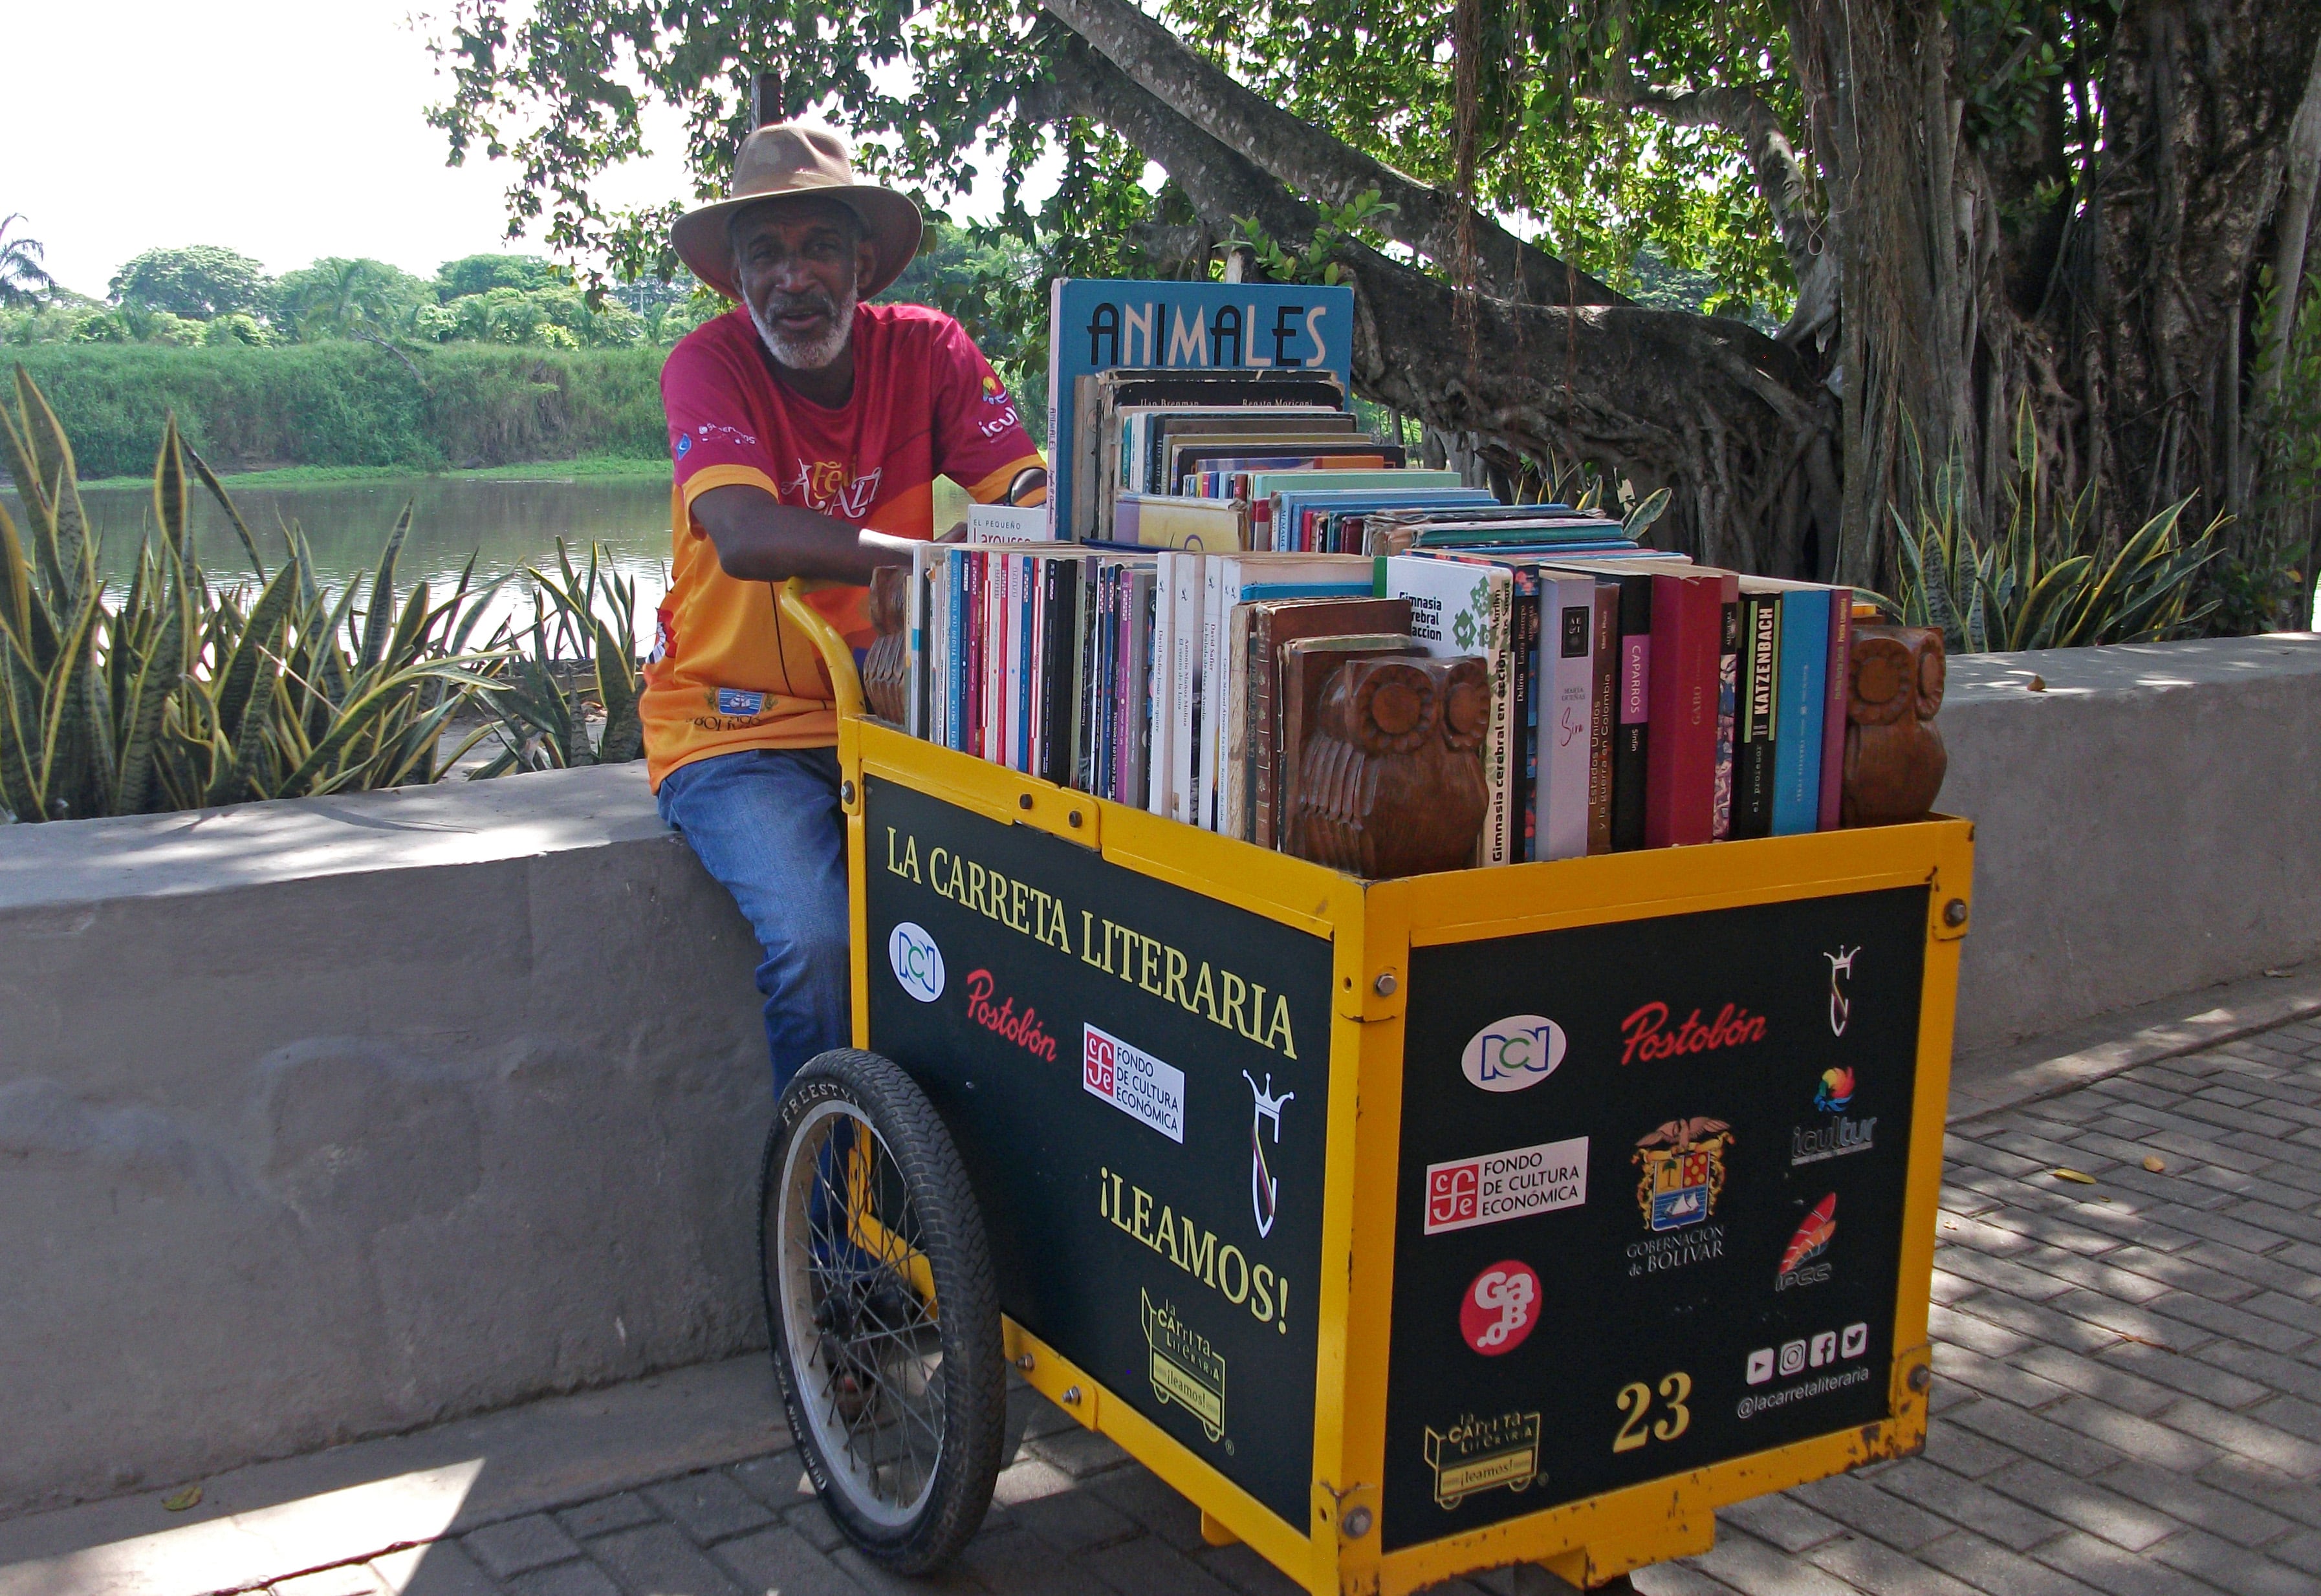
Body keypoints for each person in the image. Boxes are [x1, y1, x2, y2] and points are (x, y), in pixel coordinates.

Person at [648, 122, 1045, 1094]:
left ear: (862, 260)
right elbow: (745, 533)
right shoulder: (707, 365)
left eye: (818, 247)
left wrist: (1018, 528)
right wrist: (928, 560)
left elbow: (1031, 500)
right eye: (765, 254)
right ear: (734, 275)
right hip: (733, 727)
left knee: (1031, 905)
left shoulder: (930, 350)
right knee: (819, 943)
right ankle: (828, 1230)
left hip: (899, 713)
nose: (794, 278)